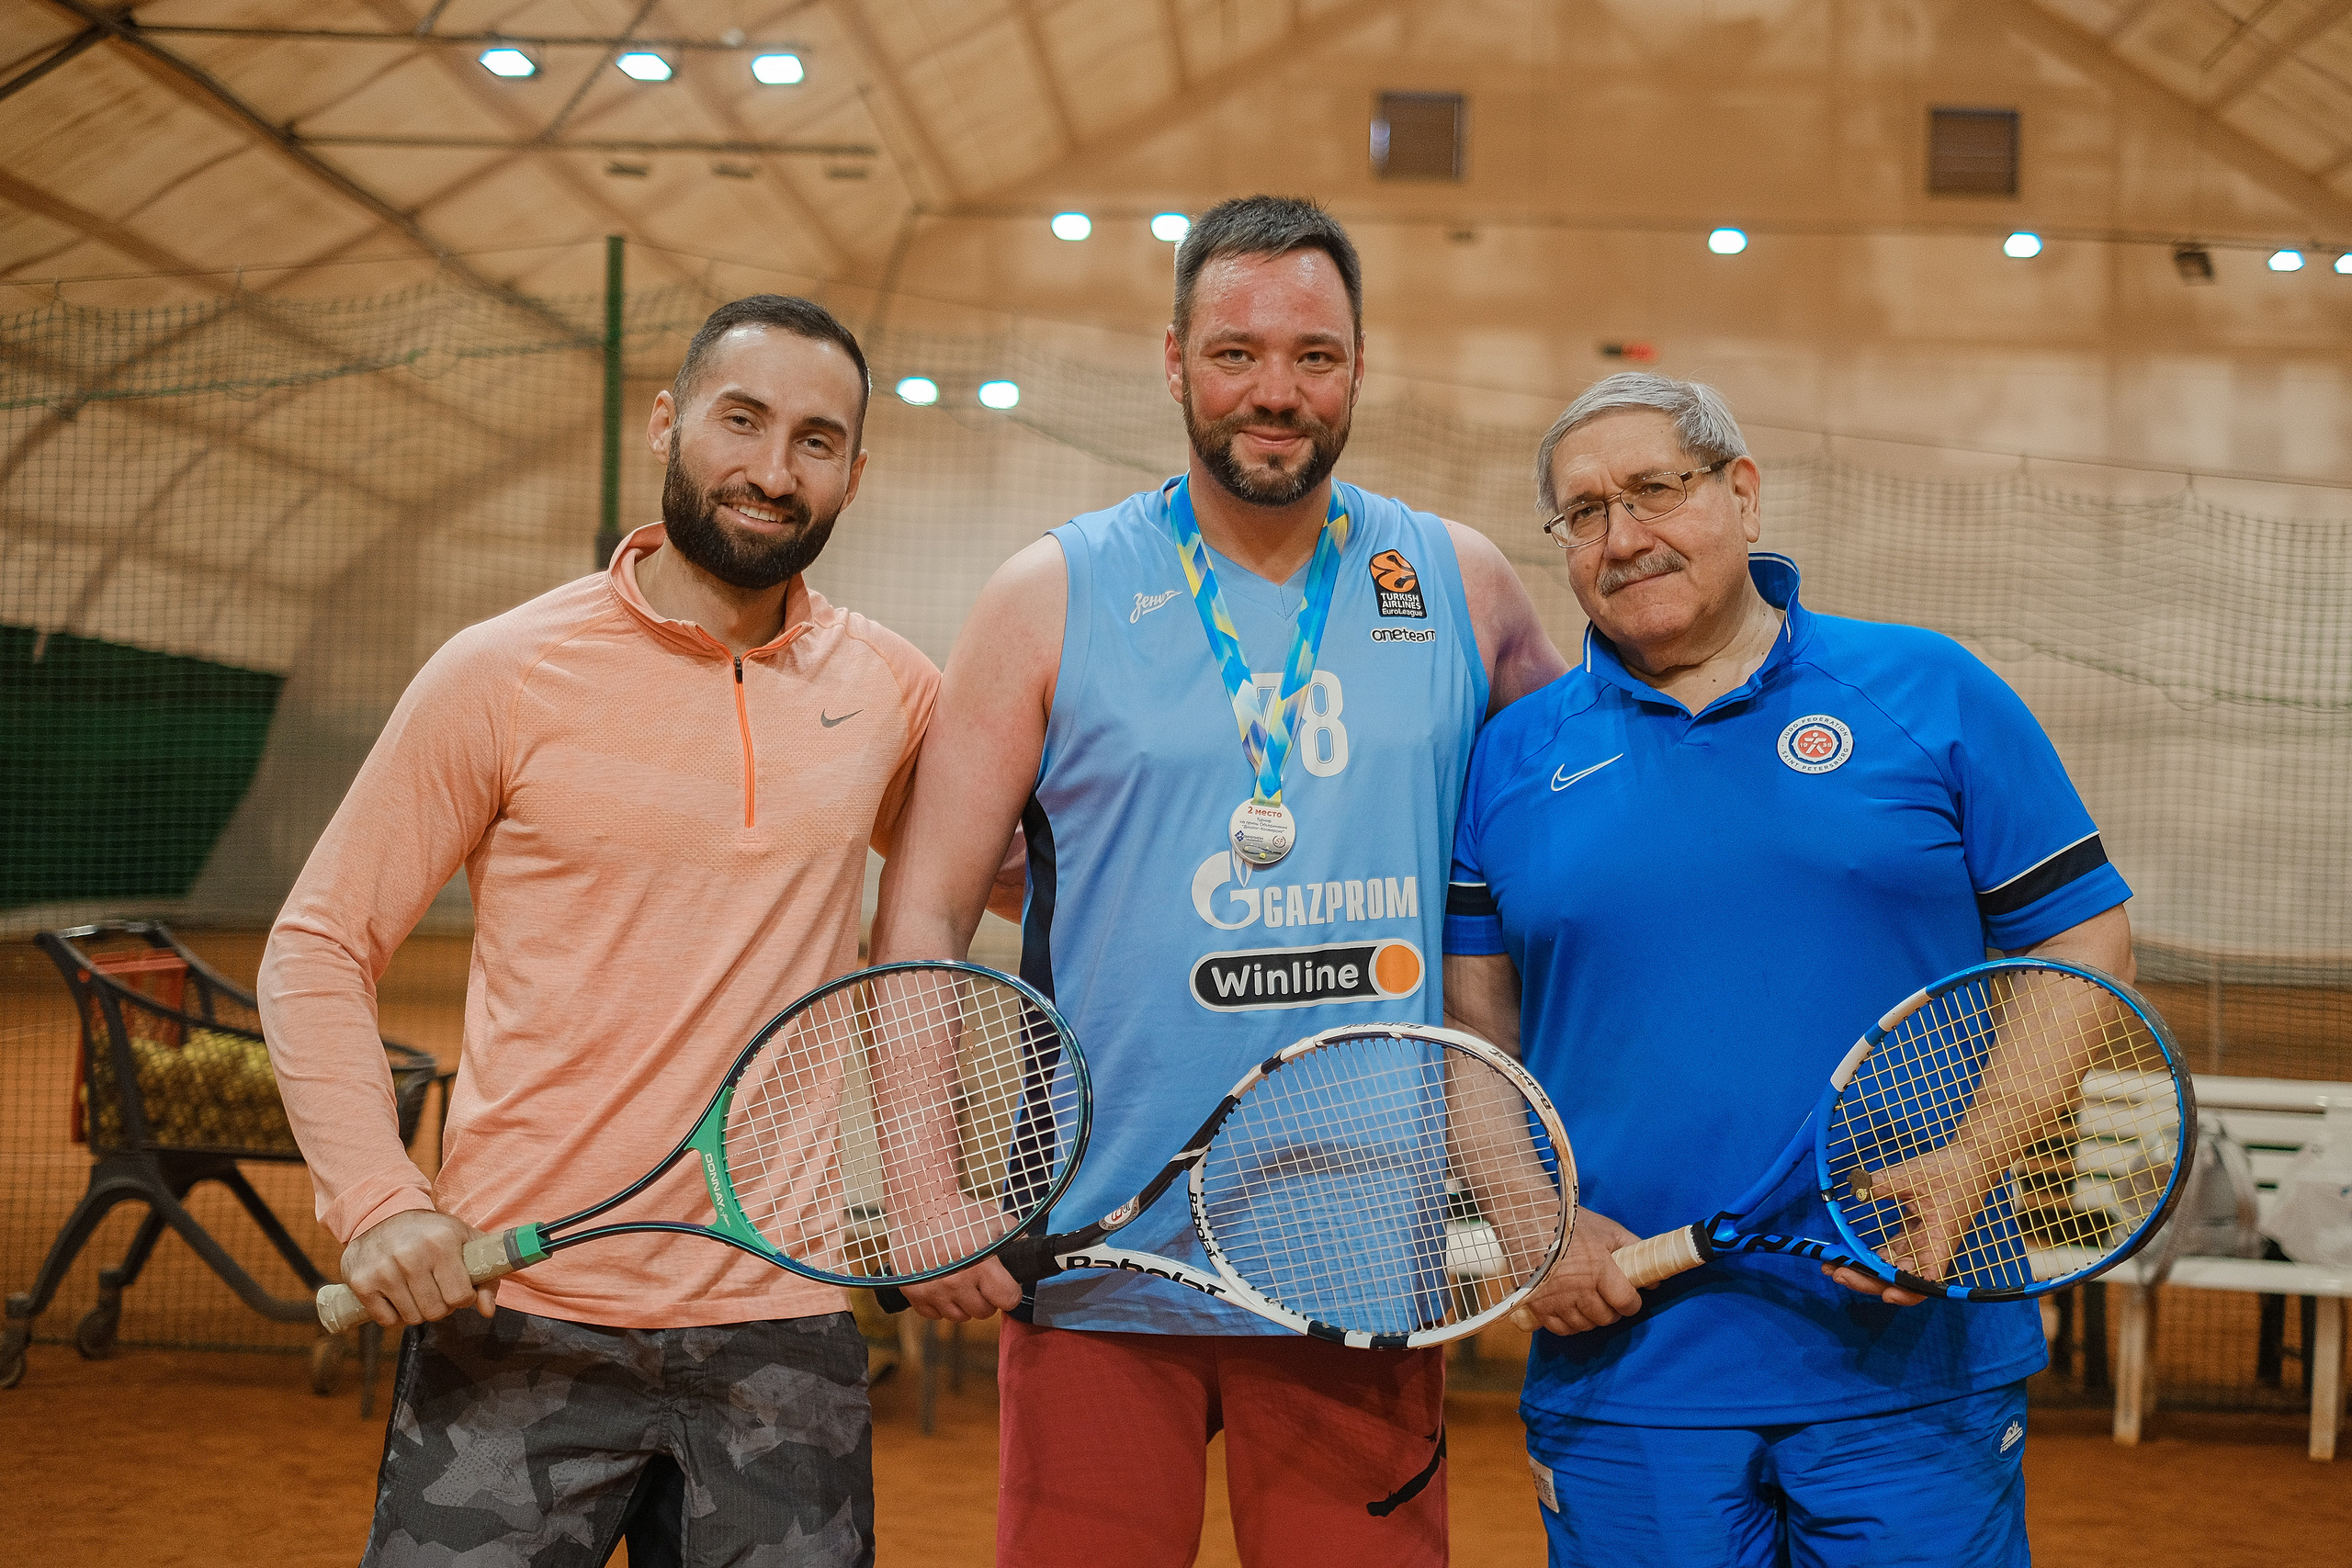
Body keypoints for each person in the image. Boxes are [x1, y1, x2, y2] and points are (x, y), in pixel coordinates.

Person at [868, 195, 1566, 1567]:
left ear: (1359, 368)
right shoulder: (1050, 593)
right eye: (1237, 352)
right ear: (1175, 359)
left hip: (1364, 1266)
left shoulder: (1461, 585)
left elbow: (1578, 856)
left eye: (1316, 355)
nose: (1276, 391)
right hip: (1099, 1252)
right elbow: (928, 908)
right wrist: (921, 1178)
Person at [260, 296, 947, 1568]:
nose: (772, 469)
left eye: (814, 440)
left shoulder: (892, 689)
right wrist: (379, 1202)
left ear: (855, 472)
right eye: (741, 420)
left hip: (783, 1328)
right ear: (667, 422)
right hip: (516, 1317)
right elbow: (318, 945)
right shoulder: (501, 670)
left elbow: (1035, 867)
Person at [1441, 372, 2136, 1567]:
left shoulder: (1932, 692)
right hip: (1627, 1371)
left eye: (1655, 490)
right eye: (1584, 513)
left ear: (1743, 493)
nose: (1623, 537)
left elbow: (2082, 938)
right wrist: (1530, 1221)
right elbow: (1473, 1036)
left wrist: (1973, 1159)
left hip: (1911, 1359)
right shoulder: (1510, 756)